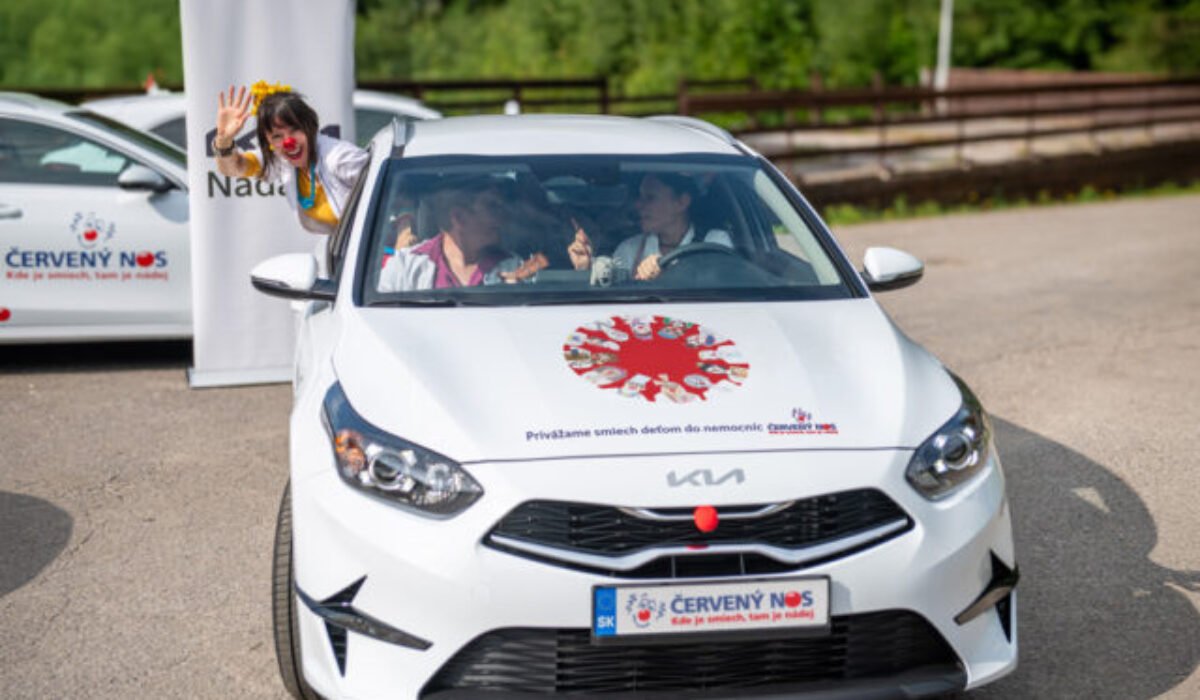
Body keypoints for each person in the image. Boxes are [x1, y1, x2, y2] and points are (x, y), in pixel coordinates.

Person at [212, 82, 369, 235]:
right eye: (277, 136)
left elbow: (390, 189)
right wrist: (223, 140)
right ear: (269, 141)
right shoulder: (280, 159)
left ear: (311, 126)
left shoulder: (339, 158)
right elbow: (233, 168)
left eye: (295, 130)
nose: (289, 142)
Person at [568, 173, 732, 281]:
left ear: (682, 202)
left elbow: (724, 290)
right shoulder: (630, 249)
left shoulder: (715, 243)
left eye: (650, 198)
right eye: (640, 197)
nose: (638, 205)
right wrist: (586, 270)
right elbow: (610, 301)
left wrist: (669, 274)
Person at [377, 178, 525, 292]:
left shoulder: (514, 267)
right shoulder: (404, 267)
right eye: (492, 207)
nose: (503, 217)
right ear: (459, 217)